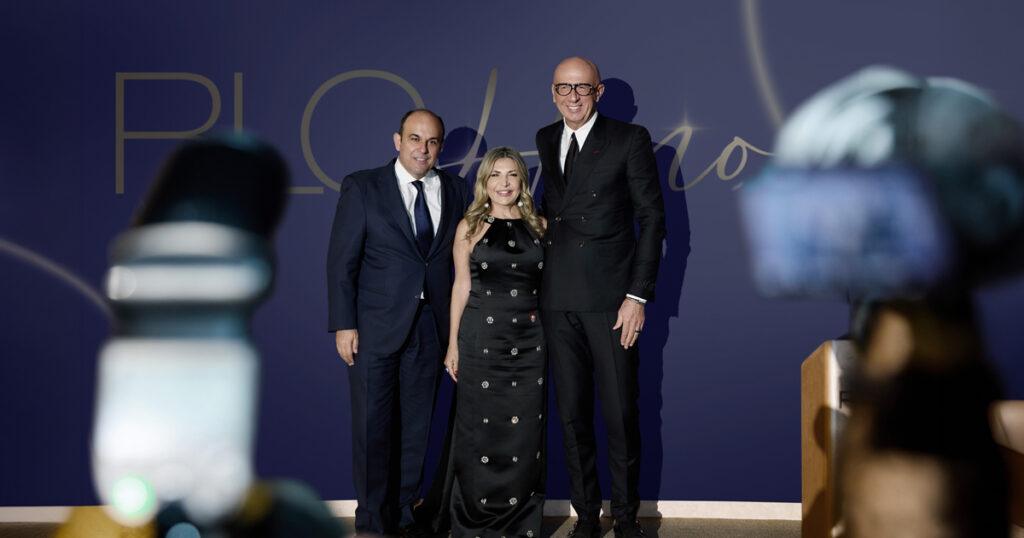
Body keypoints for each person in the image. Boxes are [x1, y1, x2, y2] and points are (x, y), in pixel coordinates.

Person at [535, 57, 666, 538]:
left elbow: (652, 219)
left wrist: (637, 296)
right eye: (563, 87)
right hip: (557, 297)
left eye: (582, 88)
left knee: (620, 413)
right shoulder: (545, 138)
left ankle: (626, 519)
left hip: (612, 300)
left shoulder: (630, 139)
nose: (573, 96)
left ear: (599, 91)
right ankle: (587, 518)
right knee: (572, 416)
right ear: (553, 92)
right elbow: (553, 213)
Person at [326, 109, 468, 536]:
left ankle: (404, 516)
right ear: (397, 140)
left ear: (441, 147)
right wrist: (344, 324)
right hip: (373, 329)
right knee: (372, 429)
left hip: (430, 328)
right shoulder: (363, 186)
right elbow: (341, 262)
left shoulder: (457, 190)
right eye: (415, 139)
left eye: (432, 141)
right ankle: (372, 521)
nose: (423, 149)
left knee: (416, 430)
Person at [416, 146, 547, 538]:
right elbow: (461, 287)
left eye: (512, 175)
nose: (504, 184)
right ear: (484, 182)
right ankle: (473, 518)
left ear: (522, 180)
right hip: (481, 340)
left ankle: (520, 521)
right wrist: (453, 345)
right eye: (495, 175)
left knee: (524, 433)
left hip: (530, 343)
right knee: (480, 431)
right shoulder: (469, 227)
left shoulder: (540, 225)